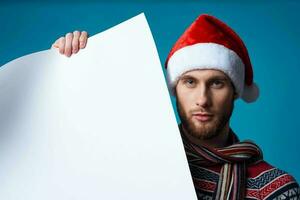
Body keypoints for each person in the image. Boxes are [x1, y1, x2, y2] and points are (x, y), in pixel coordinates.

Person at [52, 14, 300, 200]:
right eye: (190, 82)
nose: (202, 99)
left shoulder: (276, 190)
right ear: (174, 89)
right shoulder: (132, 161)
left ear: (234, 91)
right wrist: (62, 68)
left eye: (216, 83)